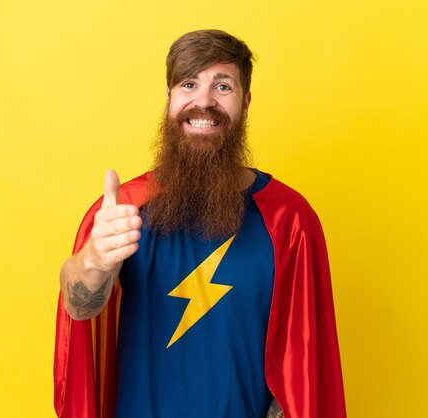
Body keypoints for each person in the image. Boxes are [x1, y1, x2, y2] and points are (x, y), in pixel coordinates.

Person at [54, 29, 346, 418]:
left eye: (223, 86)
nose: (204, 101)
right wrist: (93, 260)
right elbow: (79, 308)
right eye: (188, 84)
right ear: (169, 99)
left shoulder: (288, 218)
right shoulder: (123, 210)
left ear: (245, 102)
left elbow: (305, 372)